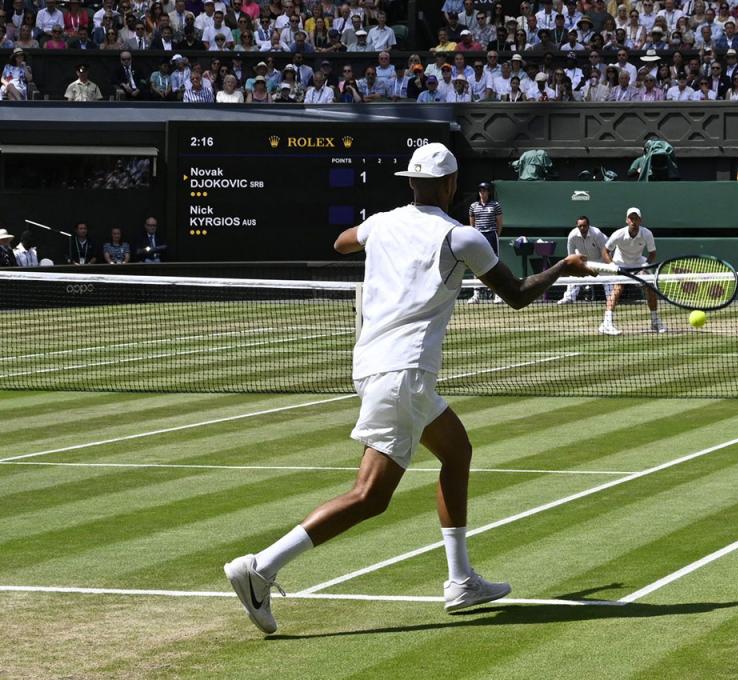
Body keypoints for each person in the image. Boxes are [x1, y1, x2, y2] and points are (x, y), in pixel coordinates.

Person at [223, 143, 593, 635]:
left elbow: (341, 242)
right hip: (405, 372)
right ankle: (261, 567)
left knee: (457, 451)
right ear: (451, 185)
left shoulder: (381, 222)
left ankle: (460, 580)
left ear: (411, 183)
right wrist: (561, 269)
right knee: (370, 496)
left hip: (376, 365)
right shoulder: (463, 239)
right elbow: (519, 296)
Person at [598, 207, 664, 335]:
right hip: (620, 264)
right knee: (618, 288)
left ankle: (655, 322)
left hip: (638, 263)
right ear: (627, 220)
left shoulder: (647, 234)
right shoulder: (619, 234)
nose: (633, 221)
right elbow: (605, 251)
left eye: (636, 218)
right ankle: (607, 323)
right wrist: (612, 265)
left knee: (650, 288)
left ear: (640, 220)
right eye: (631, 218)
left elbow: (652, 253)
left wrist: (644, 266)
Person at [466, 181, 504, 304]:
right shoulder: (473, 206)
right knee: (475, 263)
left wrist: (495, 235)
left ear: (488, 192)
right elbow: (472, 223)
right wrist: (475, 234)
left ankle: (497, 294)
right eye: (480, 190)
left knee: (494, 263)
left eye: (484, 190)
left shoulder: (495, 205)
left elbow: (499, 223)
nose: (482, 193)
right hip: (478, 237)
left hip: (491, 236)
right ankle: (476, 295)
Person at [558, 215, 609, 304]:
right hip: (584, 262)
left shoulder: (597, 233)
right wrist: (575, 267)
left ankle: (611, 298)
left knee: (608, 278)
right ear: (577, 226)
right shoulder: (572, 236)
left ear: (588, 225)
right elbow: (571, 255)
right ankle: (569, 298)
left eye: (584, 226)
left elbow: (606, 251)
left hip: (600, 260)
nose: (582, 228)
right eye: (580, 226)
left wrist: (604, 265)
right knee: (574, 276)